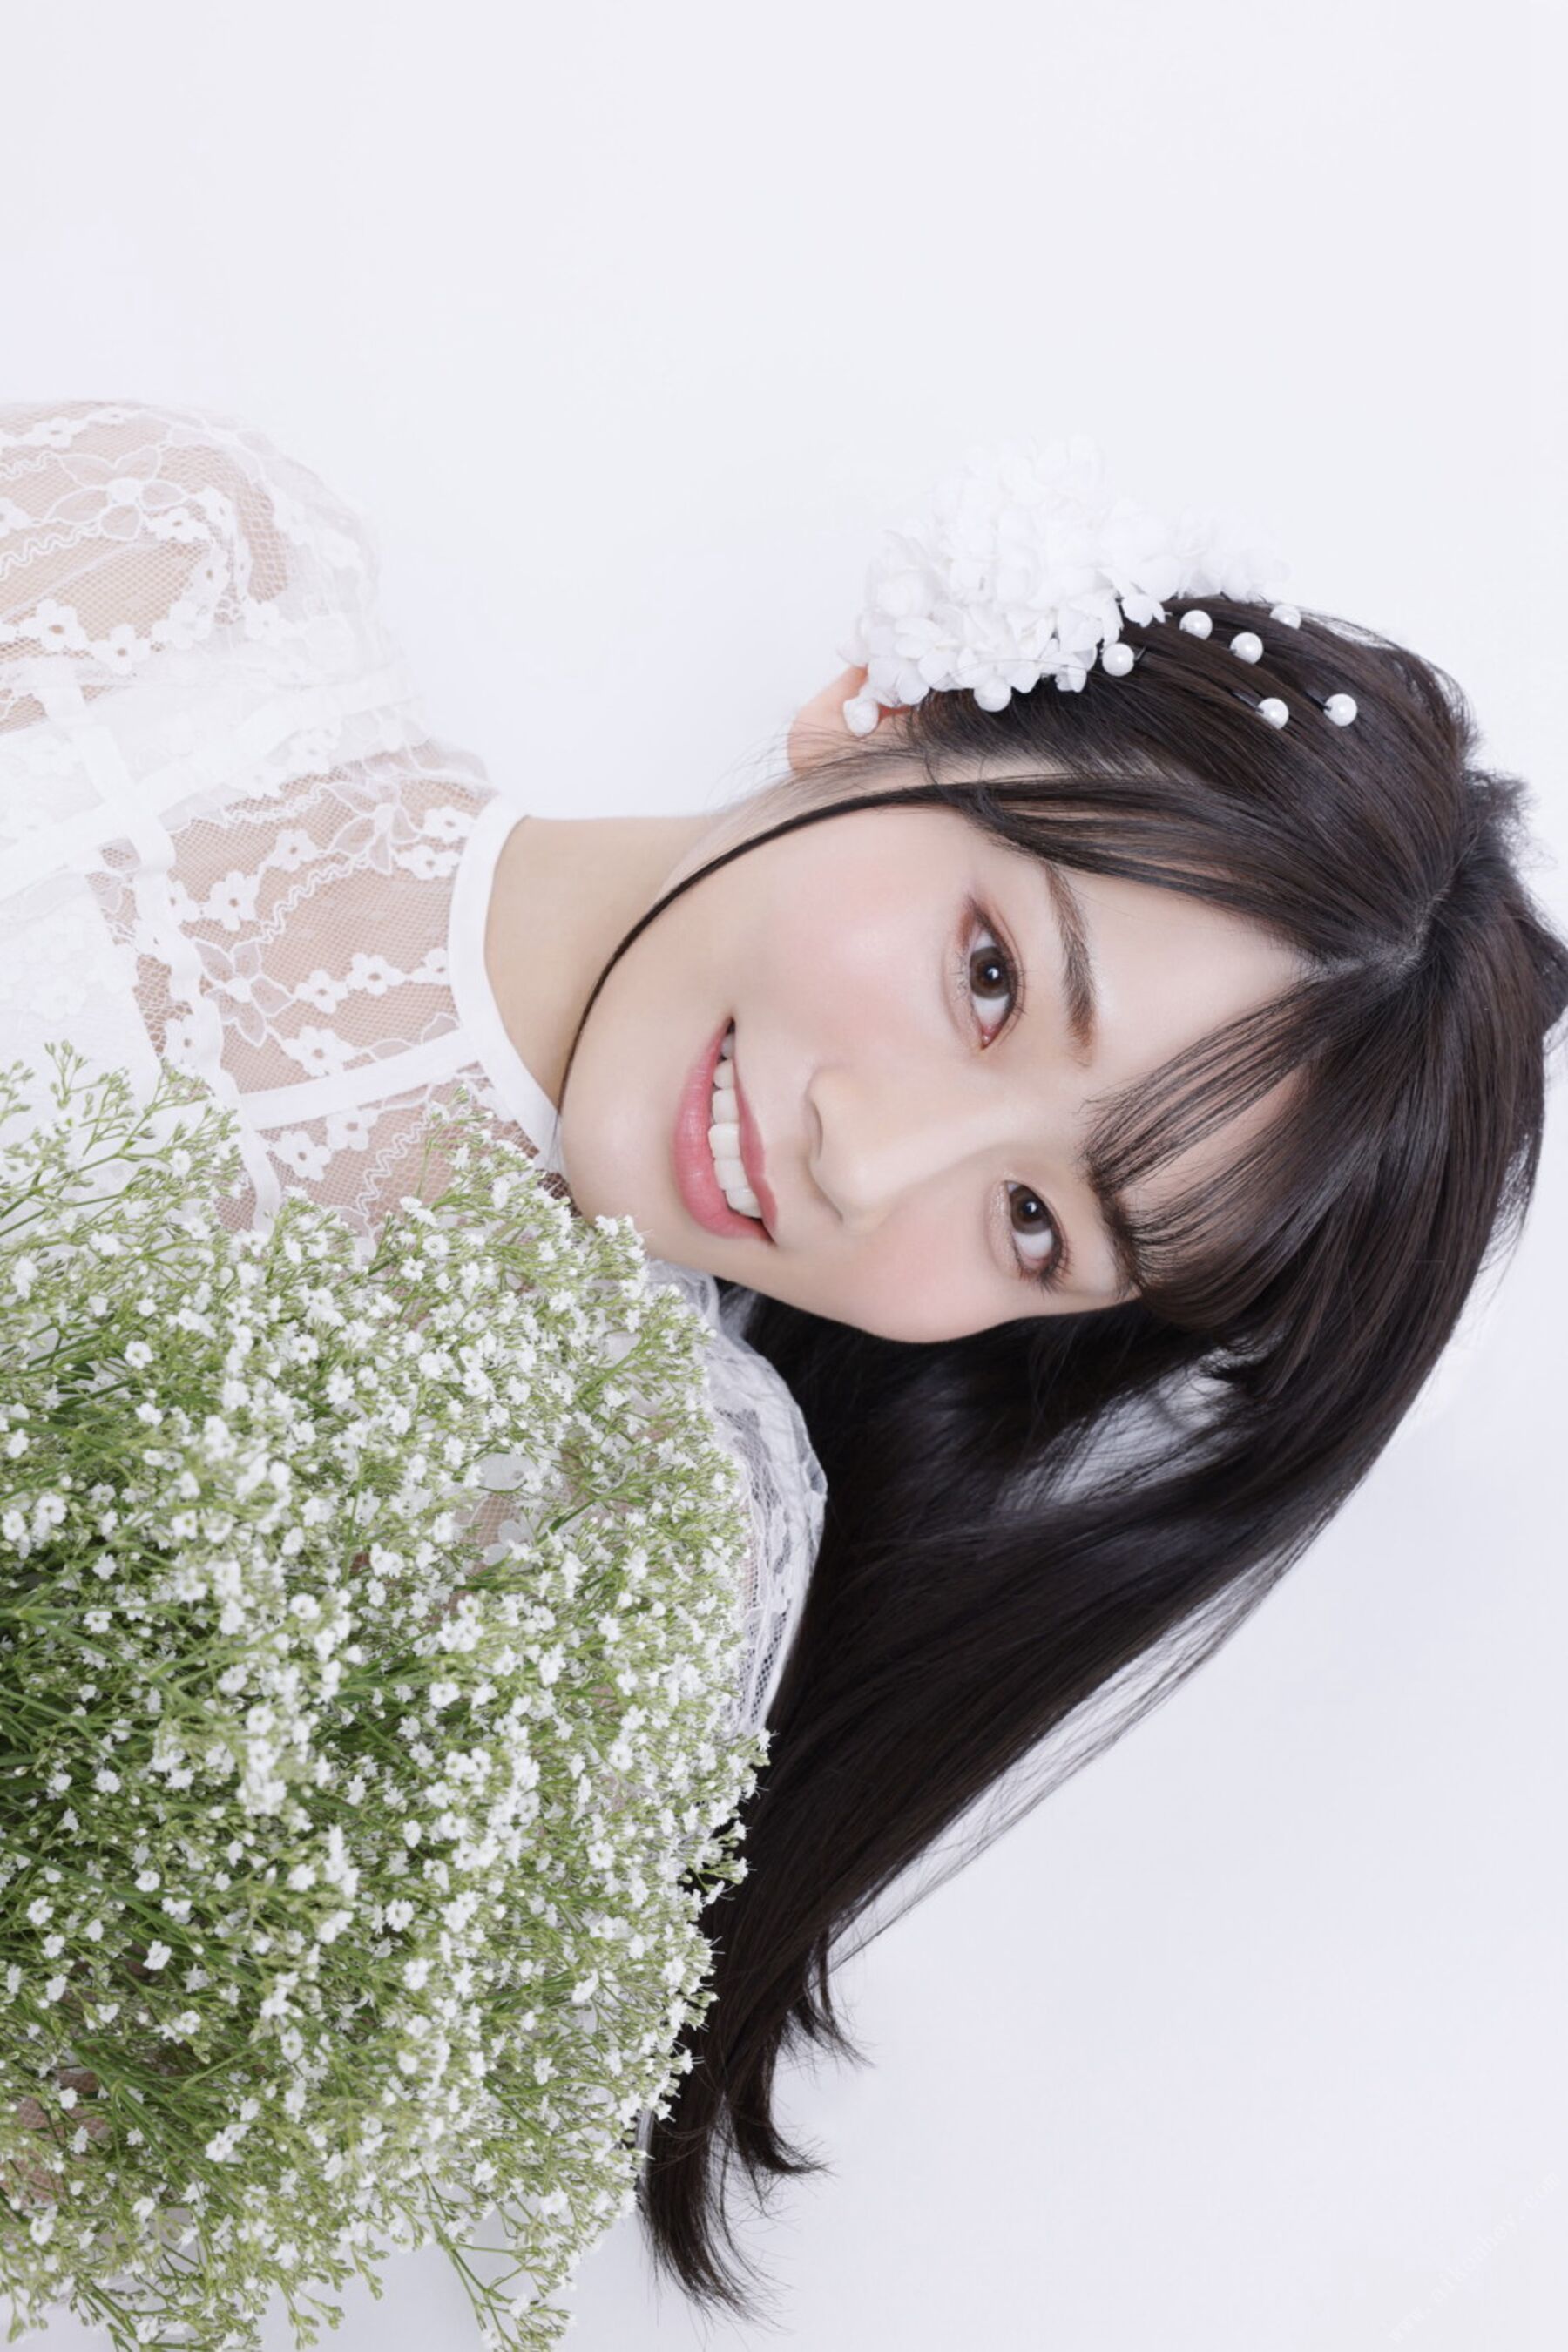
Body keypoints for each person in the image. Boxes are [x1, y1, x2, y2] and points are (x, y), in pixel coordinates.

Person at [3, 400, 1565, 2323]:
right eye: (988, 976)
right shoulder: (166, 602)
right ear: (883, 712)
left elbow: (78, 2134)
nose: (867, 1162)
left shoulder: (620, 1549)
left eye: (1035, 1225)